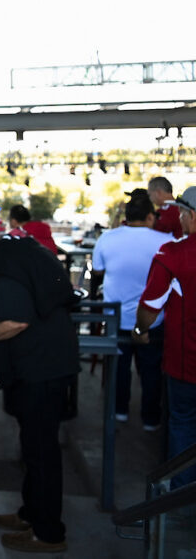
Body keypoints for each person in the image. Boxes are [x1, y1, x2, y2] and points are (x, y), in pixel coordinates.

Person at [0, 216, 79, 553]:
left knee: (41, 452)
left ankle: (49, 533)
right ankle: (32, 513)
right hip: (48, 365)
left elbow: (15, 320)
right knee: (33, 448)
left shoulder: (5, 265)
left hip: (41, 370)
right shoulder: (21, 251)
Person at [91, 191, 172, 429]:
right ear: (149, 216)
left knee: (119, 367)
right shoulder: (164, 241)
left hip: (116, 318)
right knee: (151, 371)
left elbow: (97, 271)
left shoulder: (107, 239)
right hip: (152, 319)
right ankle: (150, 418)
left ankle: (119, 411)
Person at [136, 185, 196, 489]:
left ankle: (182, 497)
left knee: (183, 425)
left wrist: (140, 331)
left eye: (183, 213)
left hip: (186, 362)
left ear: (191, 217)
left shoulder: (174, 253)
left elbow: (149, 307)